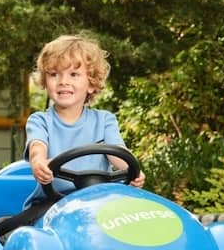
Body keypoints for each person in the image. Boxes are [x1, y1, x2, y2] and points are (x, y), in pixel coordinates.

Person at [23, 34, 146, 211]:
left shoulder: (104, 120)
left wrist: (133, 171)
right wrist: (39, 163)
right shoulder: (40, 121)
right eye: (54, 74)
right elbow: (37, 148)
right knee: (23, 230)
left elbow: (118, 154)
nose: (63, 81)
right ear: (45, 81)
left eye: (74, 74)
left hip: (96, 205)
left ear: (91, 84)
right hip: (51, 204)